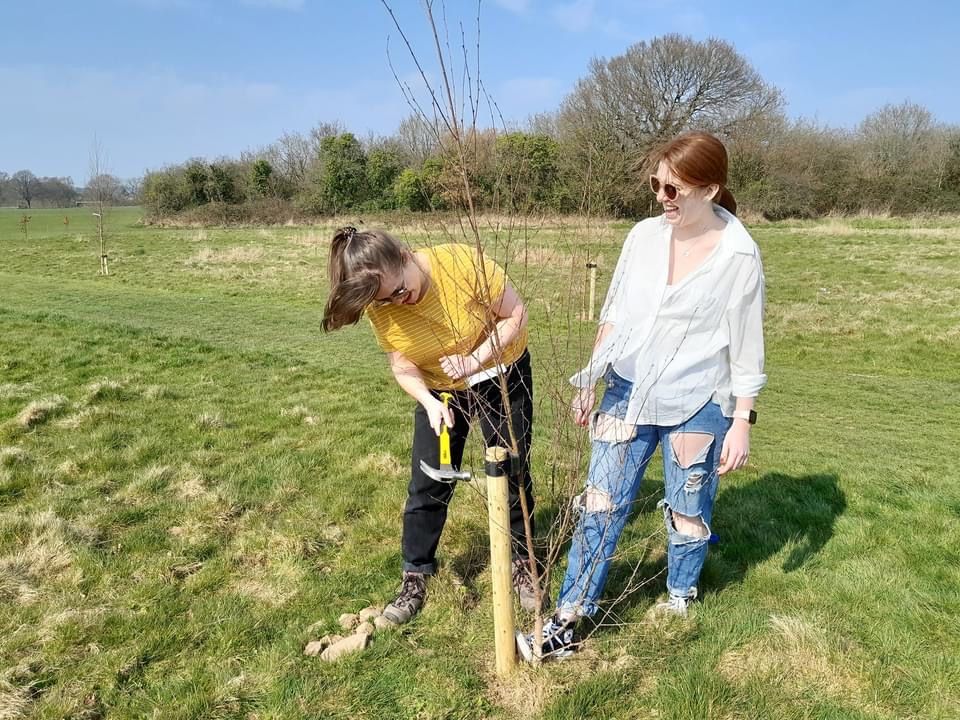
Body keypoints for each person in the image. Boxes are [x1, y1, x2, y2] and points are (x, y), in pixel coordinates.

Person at [517, 131, 767, 661]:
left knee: (687, 509)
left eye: (674, 189)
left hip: (698, 398)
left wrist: (742, 418)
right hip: (626, 389)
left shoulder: (739, 255)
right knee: (600, 503)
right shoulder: (643, 237)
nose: (662, 198)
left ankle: (679, 597)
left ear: (711, 188)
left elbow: (747, 345)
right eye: (656, 185)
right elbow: (614, 312)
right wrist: (590, 377)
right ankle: (568, 618)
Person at [322, 227, 541, 624]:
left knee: (512, 470)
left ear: (406, 256)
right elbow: (402, 365)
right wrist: (428, 401)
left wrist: (475, 360)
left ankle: (522, 562)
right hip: (440, 390)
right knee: (428, 483)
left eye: (400, 291)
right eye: (387, 299)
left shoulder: (459, 263)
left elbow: (517, 315)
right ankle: (415, 574)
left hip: (500, 374)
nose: (398, 302)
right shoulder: (381, 305)